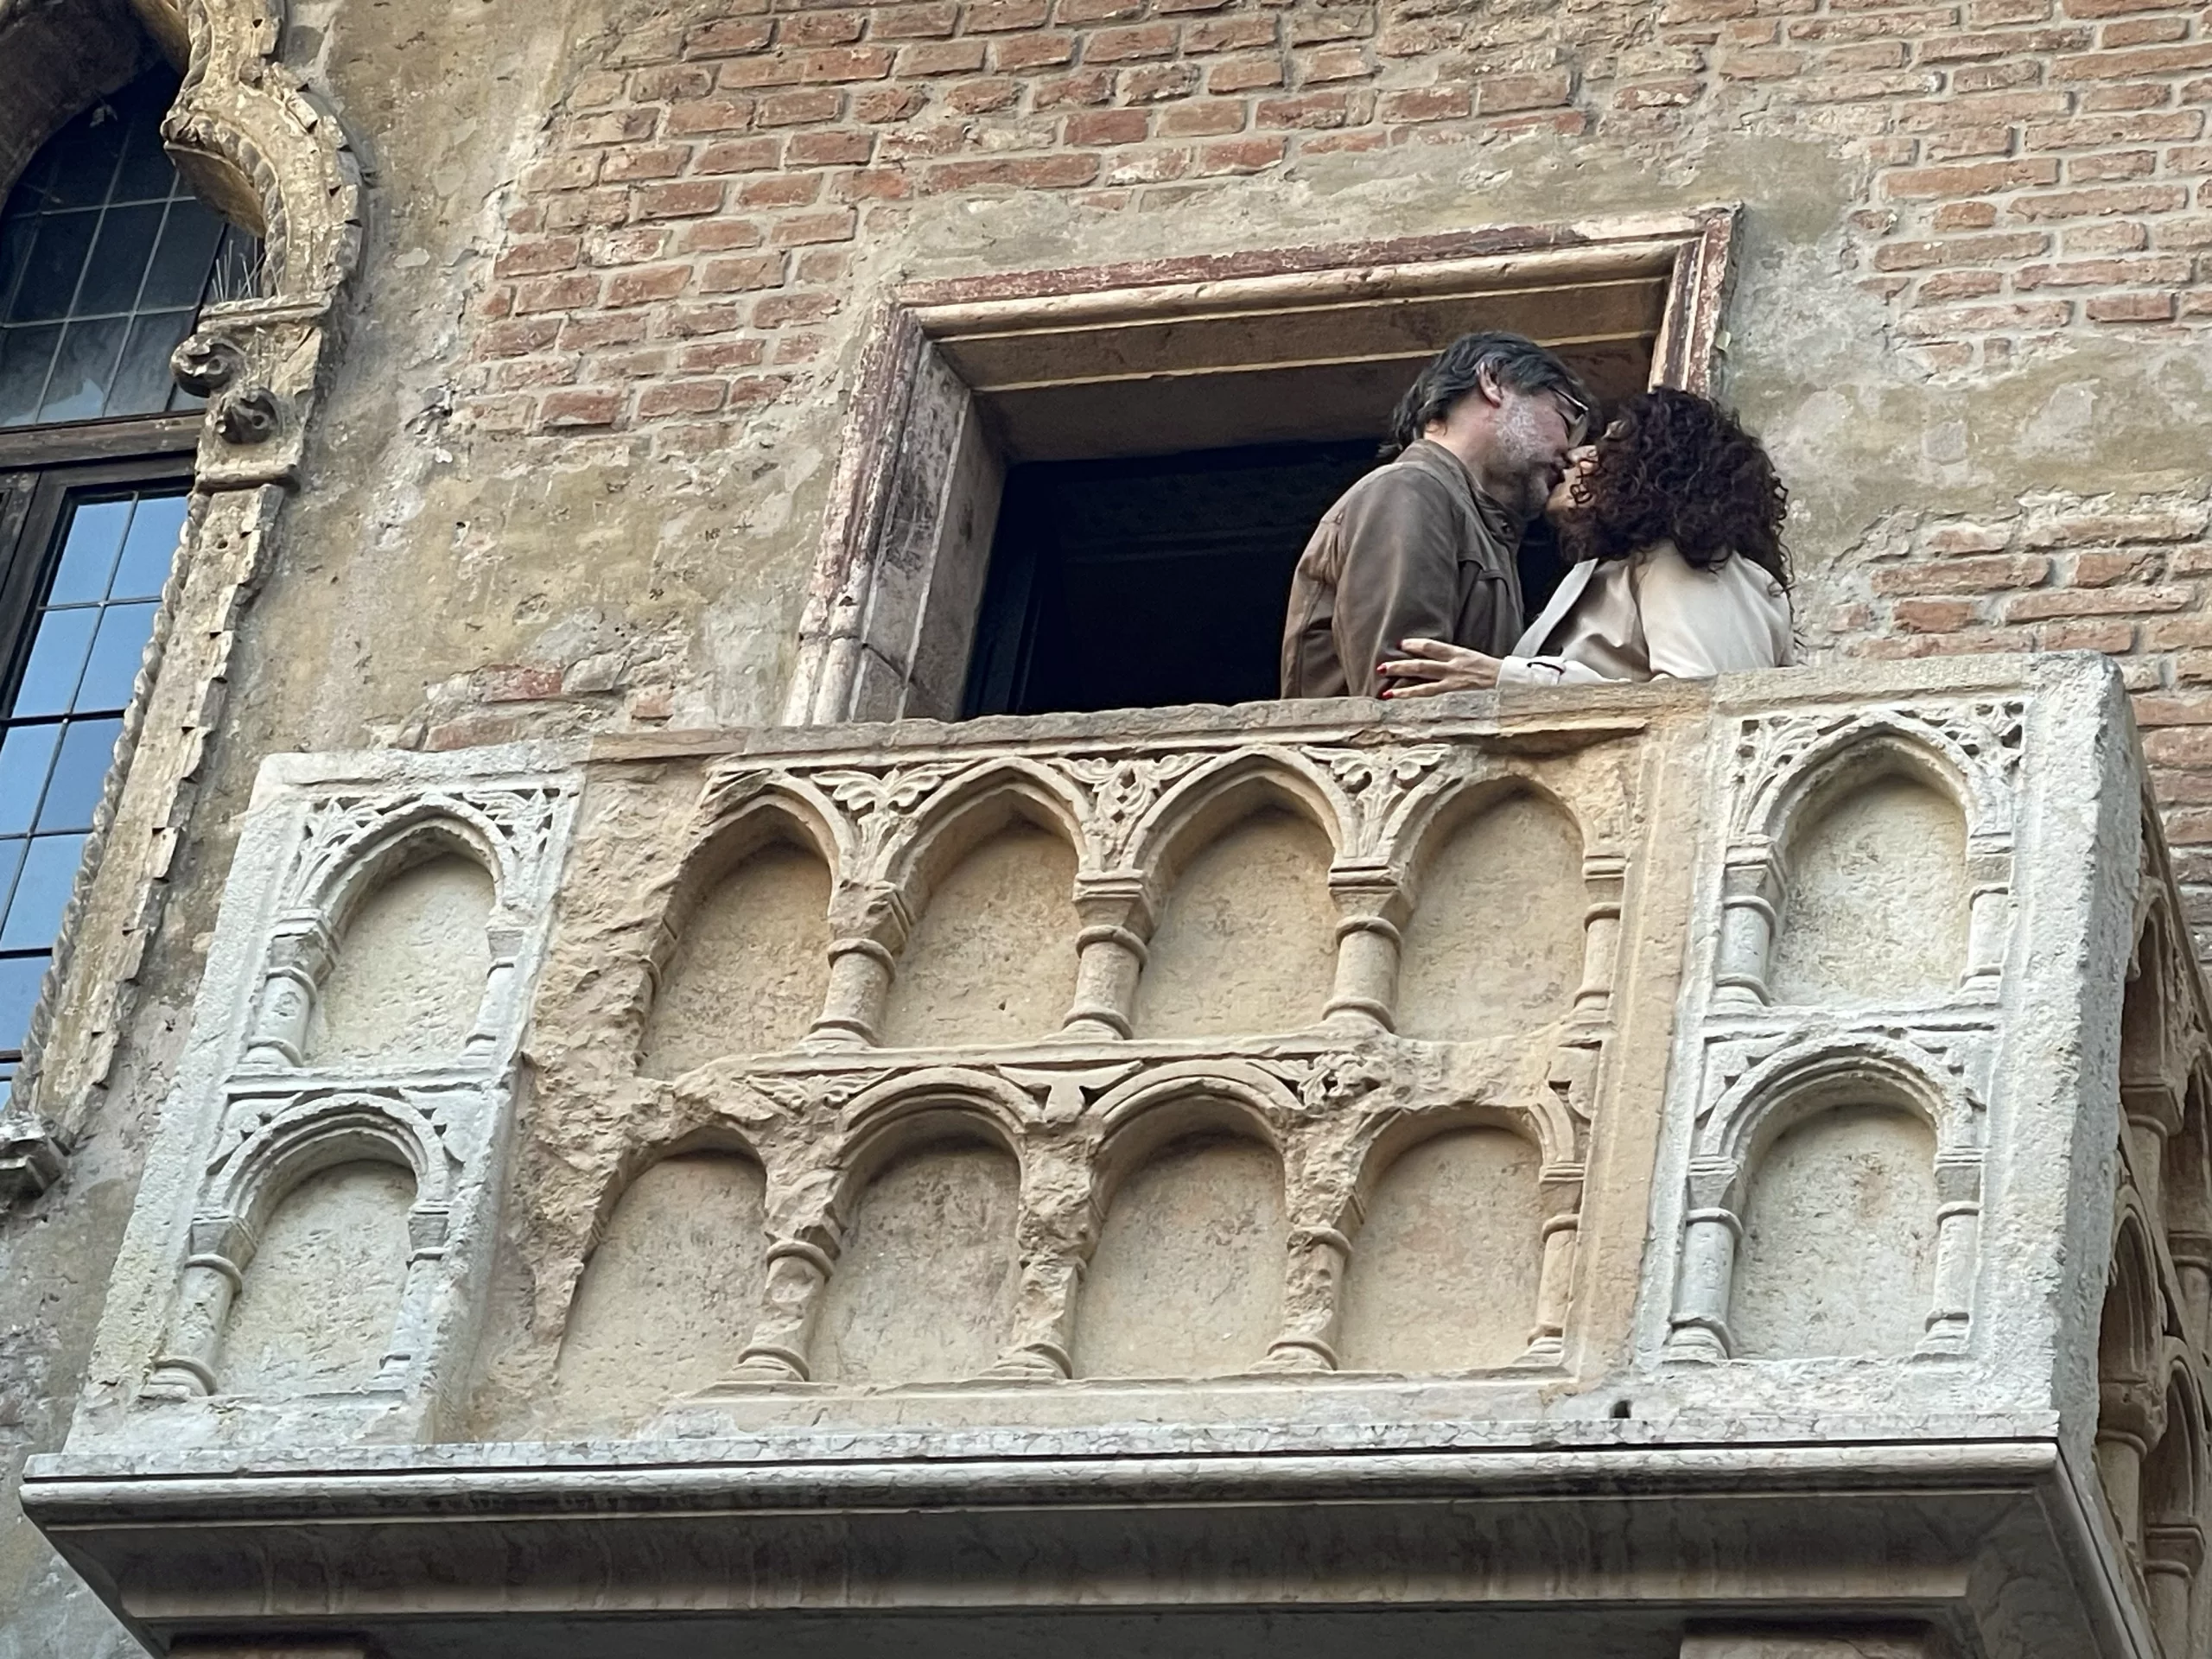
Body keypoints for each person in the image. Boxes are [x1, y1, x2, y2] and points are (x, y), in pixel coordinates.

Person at [1376, 386, 1792, 695]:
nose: (1576, 456)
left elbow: (1705, 708)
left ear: (1655, 470)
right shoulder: (1608, 573)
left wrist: (1503, 679)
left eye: (1607, 447)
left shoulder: (1687, 561)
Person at [1280, 332, 1592, 700]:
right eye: (1567, 418)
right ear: (1493, 382)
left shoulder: (1479, 523)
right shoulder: (1412, 490)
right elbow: (1402, 699)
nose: (1572, 451)